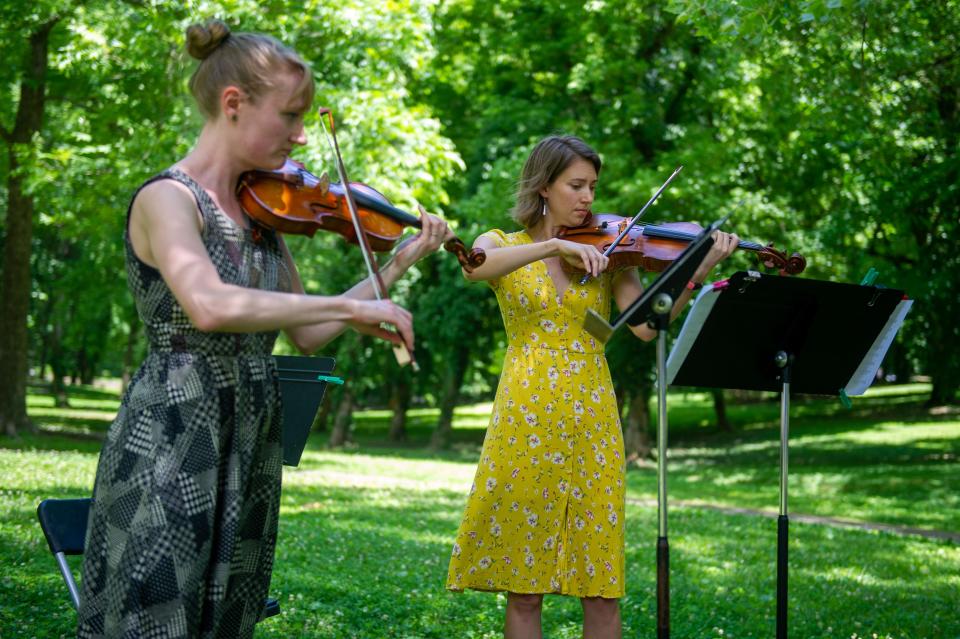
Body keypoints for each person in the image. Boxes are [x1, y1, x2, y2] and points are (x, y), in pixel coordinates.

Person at [77, 19, 449, 638]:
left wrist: (401, 259)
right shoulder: (168, 199)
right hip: (173, 431)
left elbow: (309, 333)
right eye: (291, 115)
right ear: (234, 104)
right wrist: (356, 309)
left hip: (251, 433)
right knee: (155, 610)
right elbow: (210, 304)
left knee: (229, 614)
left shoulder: (264, 216)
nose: (301, 135)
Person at [445, 135, 737, 639]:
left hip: (592, 416)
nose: (588, 198)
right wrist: (556, 244)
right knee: (524, 586)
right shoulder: (503, 244)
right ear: (543, 186)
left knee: (599, 582)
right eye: (575, 185)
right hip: (525, 416)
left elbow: (646, 327)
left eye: (592, 187)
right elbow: (475, 266)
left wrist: (699, 268)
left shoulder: (611, 252)